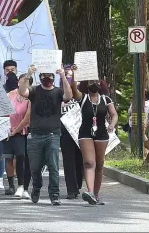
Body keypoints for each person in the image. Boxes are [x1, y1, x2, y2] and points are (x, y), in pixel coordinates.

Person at [18, 65, 72, 206]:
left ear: (54, 77)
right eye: (44, 76)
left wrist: (64, 77)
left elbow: (69, 96)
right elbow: (22, 91)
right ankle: (36, 187)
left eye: (50, 76)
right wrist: (28, 74)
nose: (47, 78)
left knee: (53, 166)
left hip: (53, 134)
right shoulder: (35, 90)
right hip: (35, 135)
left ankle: (54, 194)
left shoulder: (58, 91)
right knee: (35, 167)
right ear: (40, 77)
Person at [71, 75, 118, 205]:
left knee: (100, 163)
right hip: (86, 132)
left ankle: (96, 194)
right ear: (86, 84)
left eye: (97, 81)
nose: (95, 84)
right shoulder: (83, 97)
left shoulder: (105, 99)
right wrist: (75, 75)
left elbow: (114, 114)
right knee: (89, 163)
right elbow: (73, 90)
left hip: (102, 133)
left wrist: (112, 124)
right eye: (91, 81)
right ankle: (90, 192)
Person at [3, 73, 31, 198]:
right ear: (18, 82)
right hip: (8, 130)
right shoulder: (9, 95)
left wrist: (16, 130)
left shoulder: (31, 96)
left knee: (21, 156)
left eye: (27, 81)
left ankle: (22, 185)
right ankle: (11, 185)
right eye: (22, 80)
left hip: (23, 131)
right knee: (8, 157)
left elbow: (27, 118)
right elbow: (2, 111)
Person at [59, 64, 84, 199]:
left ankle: (78, 184)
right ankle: (71, 189)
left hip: (80, 130)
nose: (68, 78)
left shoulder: (81, 93)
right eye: (66, 75)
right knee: (68, 160)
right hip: (65, 131)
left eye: (70, 75)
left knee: (79, 159)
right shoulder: (59, 92)